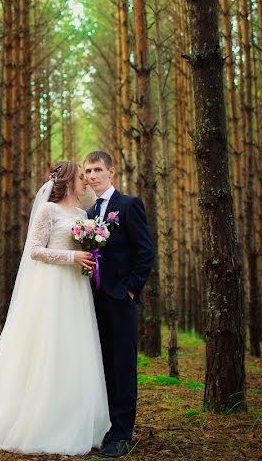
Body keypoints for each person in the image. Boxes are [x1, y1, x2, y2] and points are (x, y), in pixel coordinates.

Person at [0, 161, 111, 455]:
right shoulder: (48, 211)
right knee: (47, 349)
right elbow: (34, 250)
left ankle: (73, 418)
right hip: (52, 289)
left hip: (76, 291)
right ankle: (38, 420)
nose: (86, 182)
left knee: (73, 350)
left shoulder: (83, 215)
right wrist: (72, 258)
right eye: (82, 177)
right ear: (68, 182)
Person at [84, 150, 156, 458]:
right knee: (101, 366)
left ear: (112, 172)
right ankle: (106, 427)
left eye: (98, 169)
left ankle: (123, 434)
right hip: (92, 302)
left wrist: (130, 289)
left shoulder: (127, 205)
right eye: (87, 171)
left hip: (119, 299)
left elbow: (145, 252)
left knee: (123, 366)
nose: (92, 176)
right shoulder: (87, 215)